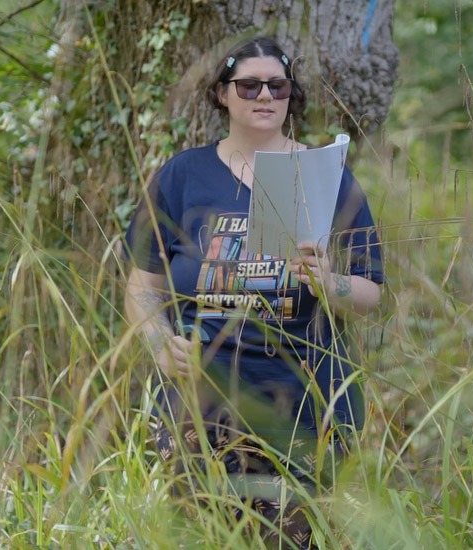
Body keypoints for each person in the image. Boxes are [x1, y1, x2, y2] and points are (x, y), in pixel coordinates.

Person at [120, 36, 385, 547]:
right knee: (207, 535)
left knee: (292, 539)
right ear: (222, 95)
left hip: (304, 404)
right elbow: (143, 282)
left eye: (277, 86)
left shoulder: (327, 178)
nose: (264, 95)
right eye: (249, 85)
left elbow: (373, 292)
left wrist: (330, 283)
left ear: (290, 96)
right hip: (199, 402)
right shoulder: (183, 175)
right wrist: (156, 341)